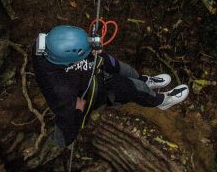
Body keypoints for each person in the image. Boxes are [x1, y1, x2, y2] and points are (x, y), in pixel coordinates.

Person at [31, 24, 190, 147]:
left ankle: (145, 80)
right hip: (99, 88)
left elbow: (67, 40)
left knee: (121, 67)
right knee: (131, 87)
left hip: (91, 68)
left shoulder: (45, 43)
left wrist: (89, 44)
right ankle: (162, 101)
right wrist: (79, 110)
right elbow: (67, 133)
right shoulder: (61, 92)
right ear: (71, 62)